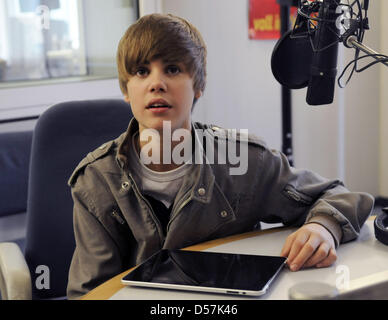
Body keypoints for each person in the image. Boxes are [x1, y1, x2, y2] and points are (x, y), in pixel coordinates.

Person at [66, 13, 374, 300]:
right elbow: (91, 292)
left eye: (172, 69)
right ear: (125, 88)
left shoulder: (240, 159)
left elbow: (335, 195)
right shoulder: (96, 181)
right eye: (141, 71)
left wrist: (322, 227)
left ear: (198, 86)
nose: (156, 83)